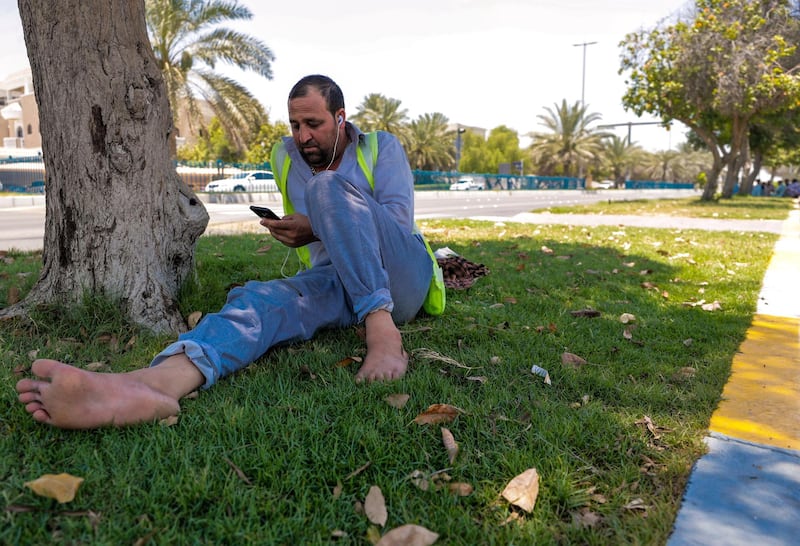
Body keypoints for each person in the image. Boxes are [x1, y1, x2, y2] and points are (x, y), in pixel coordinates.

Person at [16, 74, 434, 429]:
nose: (302, 136)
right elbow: (327, 240)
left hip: (402, 277)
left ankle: (383, 331)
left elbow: (395, 228)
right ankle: (156, 384)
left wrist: (320, 220)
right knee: (257, 299)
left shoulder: (381, 147)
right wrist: (303, 232)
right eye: (293, 124)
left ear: (340, 119)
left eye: (313, 123)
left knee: (327, 187)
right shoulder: (287, 156)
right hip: (340, 279)